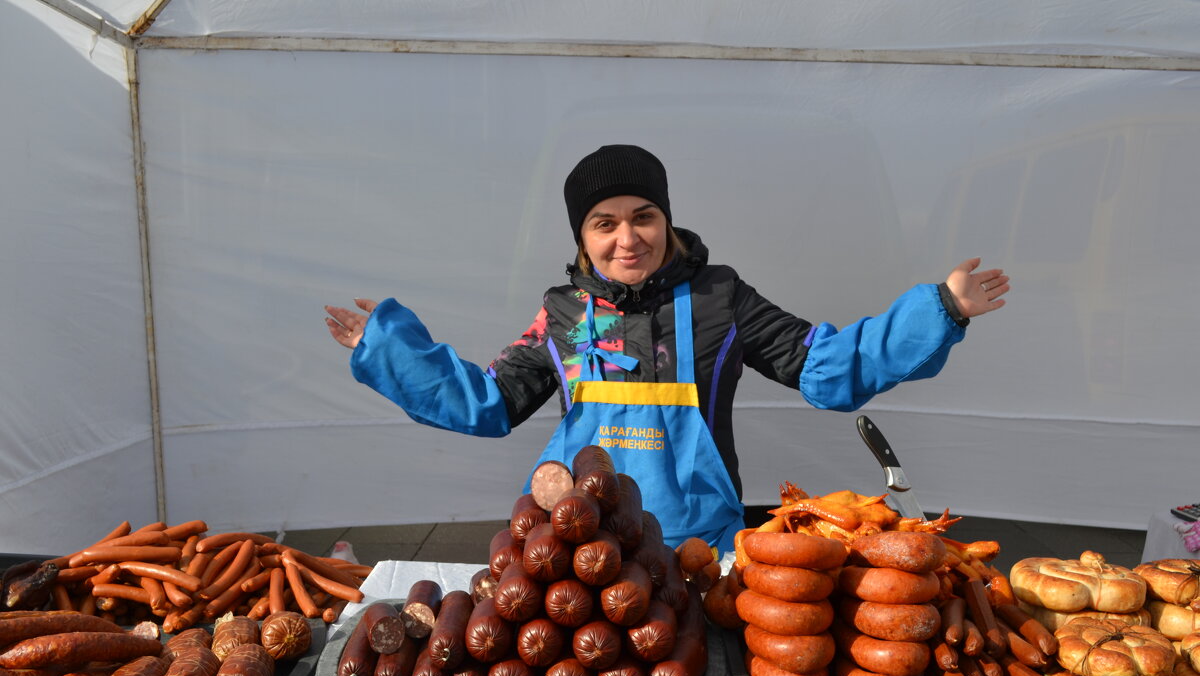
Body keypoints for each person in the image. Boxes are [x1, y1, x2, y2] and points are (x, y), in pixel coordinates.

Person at [324, 144, 1010, 553]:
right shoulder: (562, 314)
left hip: (697, 548)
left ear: (665, 219)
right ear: (582, 237)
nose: (628, 238)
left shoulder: (721, 297)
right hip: (573, 546)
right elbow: (487, 403)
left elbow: (826, 369)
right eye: (605, 223)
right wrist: (388, 348)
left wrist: (940, 310)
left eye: (643, 217)